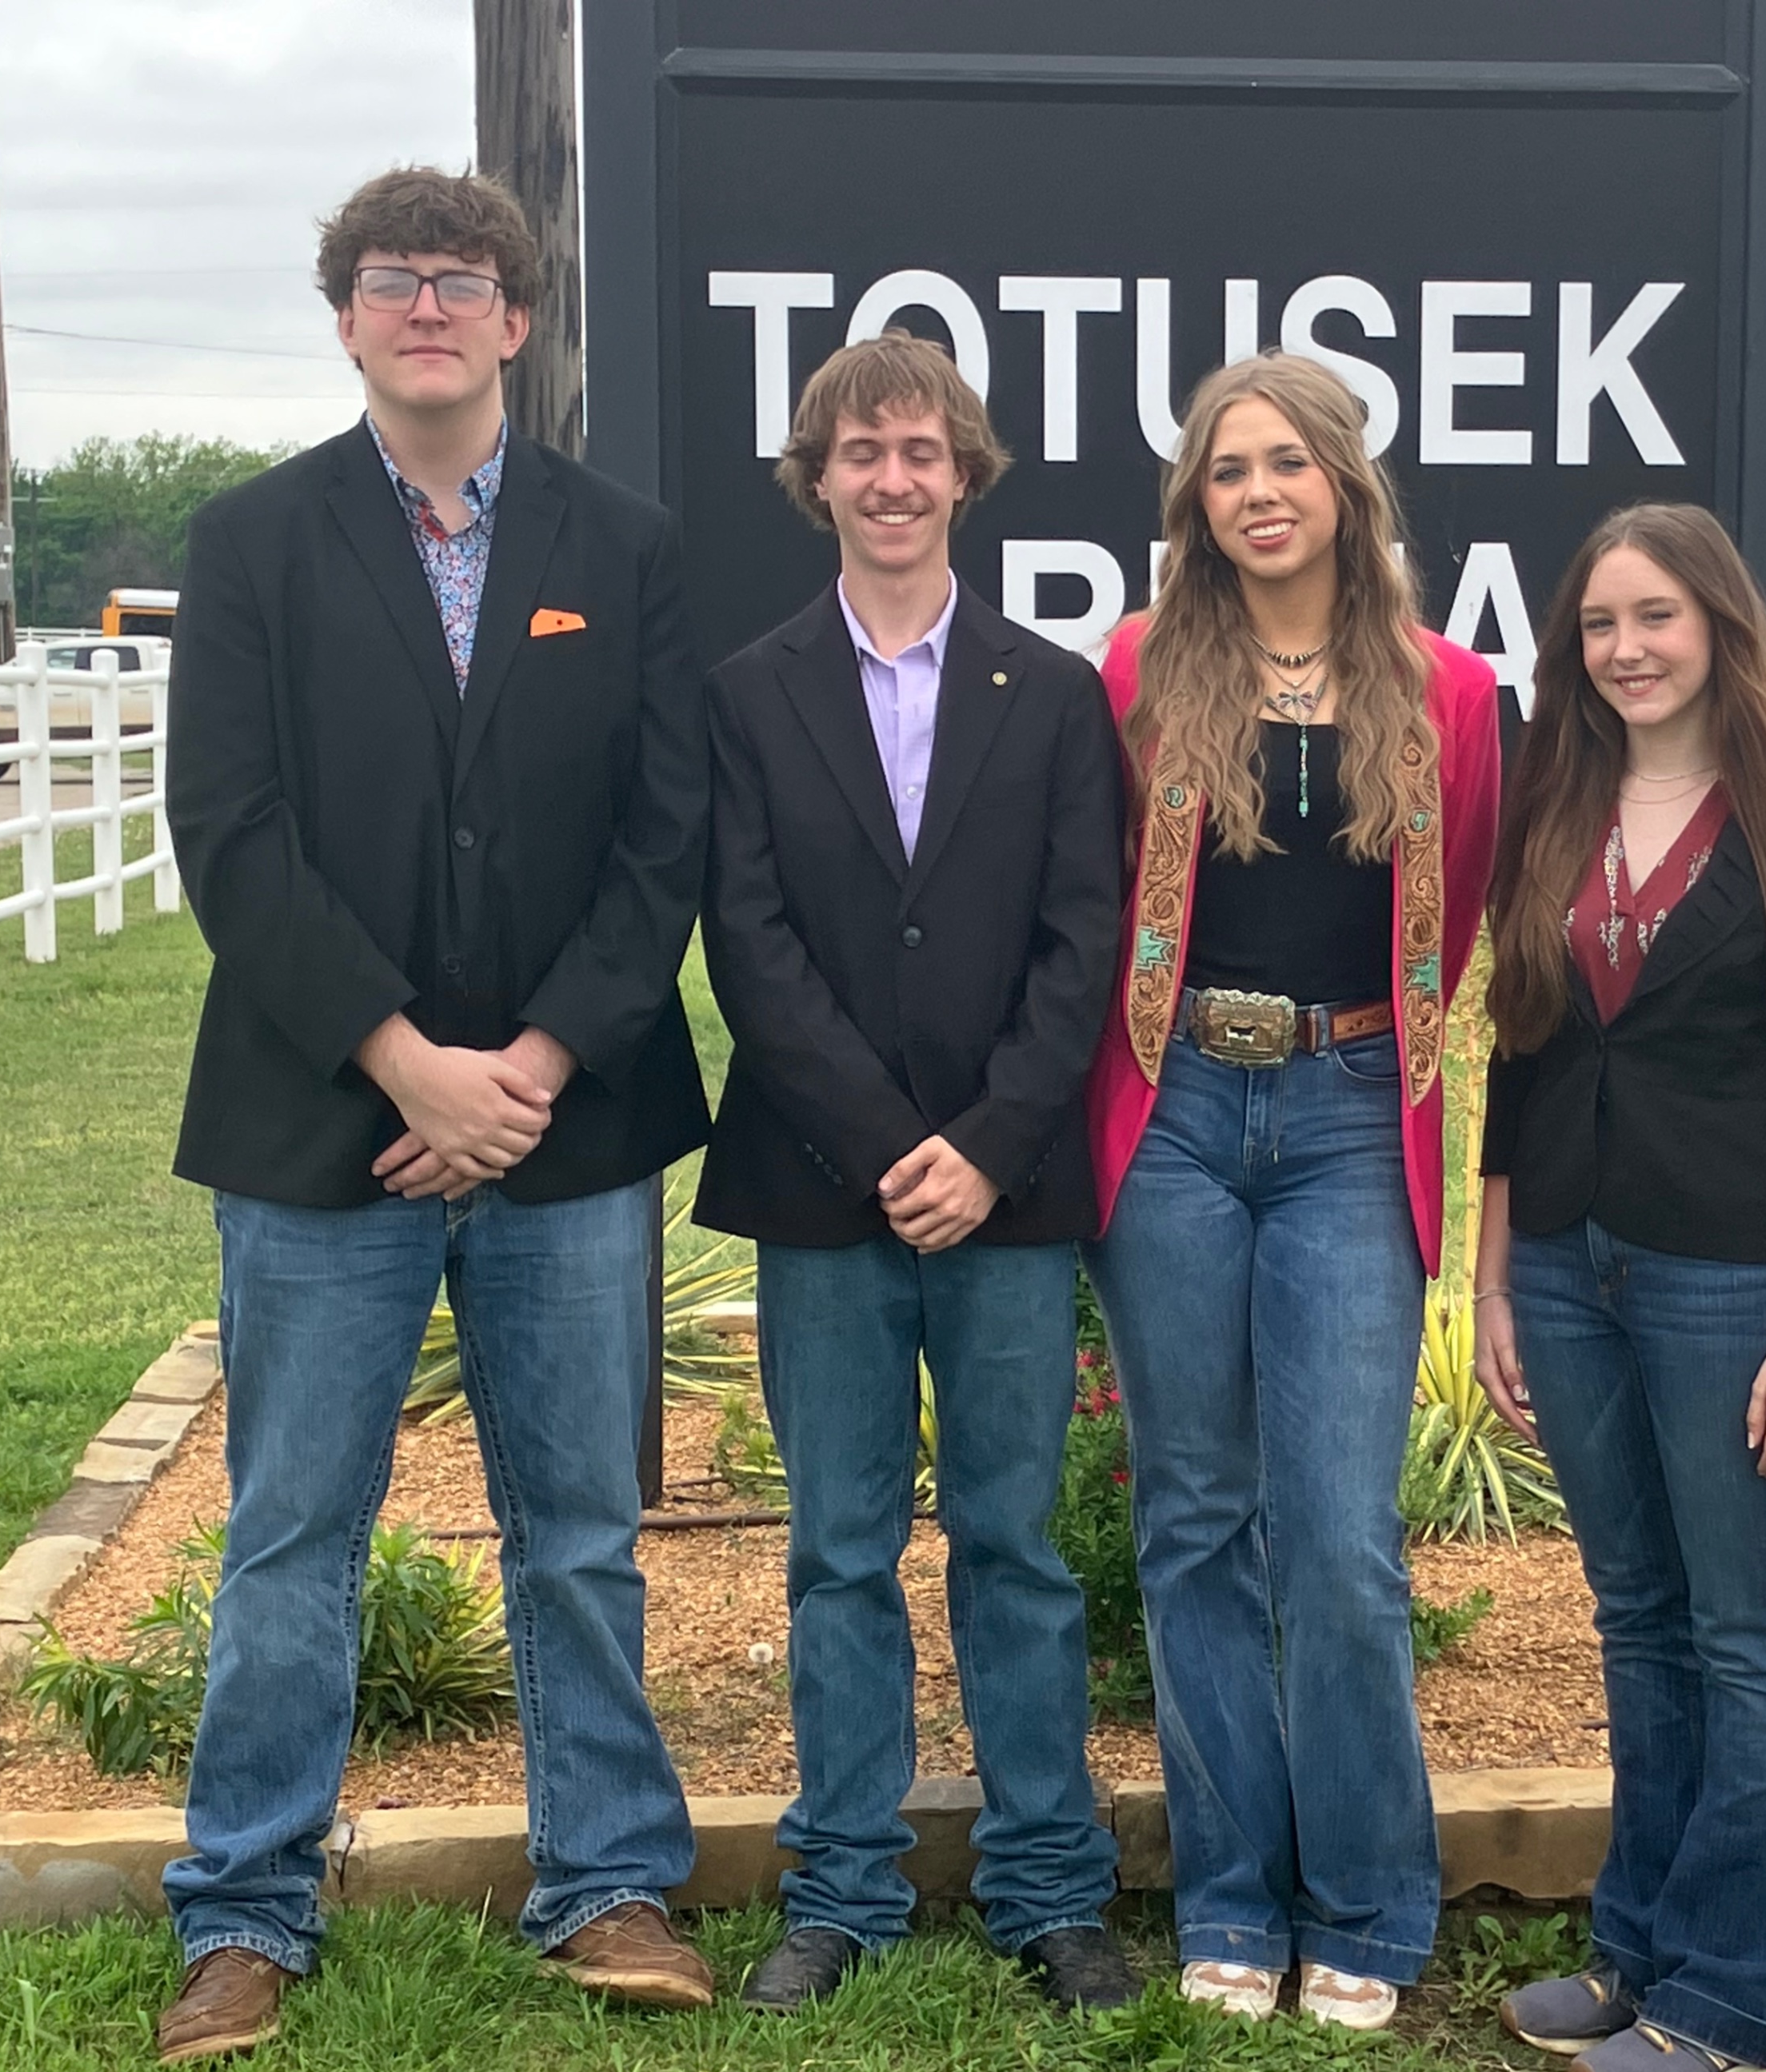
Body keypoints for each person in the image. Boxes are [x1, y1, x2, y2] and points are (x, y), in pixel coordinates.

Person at [158, 168, 717, 2062]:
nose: (426, 307)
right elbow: (231, 838)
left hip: (567, 1128)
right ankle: (244, 1905)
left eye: (460, 281)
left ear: (517, 318)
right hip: (327, 1123)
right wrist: (404, 1060)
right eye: (389, 281)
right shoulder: (251, 546)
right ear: (346, 316)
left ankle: (613, 1880)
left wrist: (535, 1069)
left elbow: (667, 836)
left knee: (578, 1525)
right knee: (292, 1530)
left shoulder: (622, 547)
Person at [694, 330, 1137, 2014]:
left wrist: (992, 1142)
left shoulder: (1055, 690)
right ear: (818, 480)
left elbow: (1083, 939)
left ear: (968, 473)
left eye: (922, 449)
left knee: (1015, 1545)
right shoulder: (749, 692)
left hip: (1011, 1197)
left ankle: (1046, 1888)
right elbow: (748, 942)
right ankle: (847, 1887)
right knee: (838, 1548)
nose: (892, 478)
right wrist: (894, 1150)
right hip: (824, 1192)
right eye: (860, 451)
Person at [1080, 350, 1501, 2031]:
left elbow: (1454, 915)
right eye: (1228, 469)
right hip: (1170, 1106)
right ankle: (1231, 1902)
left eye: (1287, 464)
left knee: (1337, 1538)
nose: (1259, 493)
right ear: (1197, 500)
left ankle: (1373, 1904)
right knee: (1192, 1523)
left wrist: (1366, 1057)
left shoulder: (1451, 692)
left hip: (1344, 1111)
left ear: (1344, 482)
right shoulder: (1135, 670)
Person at [1472, 504, 1766, 2072]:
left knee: (1744, 1636)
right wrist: (1499, 1284)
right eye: (1597, 625)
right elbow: (1521, 1056)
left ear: (1718, 625)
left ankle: (1735, 2007)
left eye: (1655, 618)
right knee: (1636, 1616)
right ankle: (1637, 1960)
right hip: (1569, 1265)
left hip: (1727, 1277)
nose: (1626, 650)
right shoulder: (1555, 813)